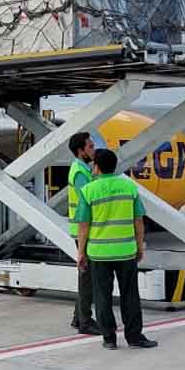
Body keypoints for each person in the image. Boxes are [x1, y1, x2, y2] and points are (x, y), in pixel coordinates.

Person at [75, 148, 157, 349]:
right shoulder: (129, 187)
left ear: (97, 166)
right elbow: (138, 220)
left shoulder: (89, 191)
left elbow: (83, 225)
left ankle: (109, 338)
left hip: (99, 253)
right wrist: (139, 245)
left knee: (102, 297)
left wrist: (81, 253)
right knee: (130, 295)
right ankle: (135, 337)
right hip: (125, 251)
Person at [67, 131, 100, 335]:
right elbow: (88, 200)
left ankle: (78, 317)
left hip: (82, 229)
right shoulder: (79, 172)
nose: (93, 149)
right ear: (81, 150)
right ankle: (85, 322)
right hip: (82, 230)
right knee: (87, 277)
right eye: (90, 146)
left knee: (86, 276)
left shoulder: (82, 169)